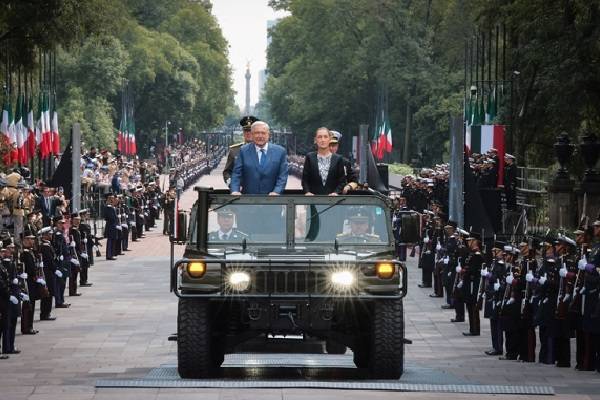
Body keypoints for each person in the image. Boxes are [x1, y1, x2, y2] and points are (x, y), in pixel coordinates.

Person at [230, 121, 288, 195]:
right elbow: (236, 173)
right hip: (248, 200)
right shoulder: (243, 151)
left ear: (268, 135)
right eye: (257, 133)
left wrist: (276, 191)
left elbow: (282, 176)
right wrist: (235, 190)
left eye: (263, 133)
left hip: (273, 200)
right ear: (252, 134)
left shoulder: (280, 152)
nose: (260, 136)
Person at [301, 127, 346, 195]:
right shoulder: (310, 157)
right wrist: (307, 192)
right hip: (313, 199)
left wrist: (336, 192)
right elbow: (305, 179)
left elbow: (342, 181)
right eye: (319, 137)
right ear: (315, 140)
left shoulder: (338, 159)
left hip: (333, 201)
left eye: (325, 137)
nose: (323, 140)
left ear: (329, 139)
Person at [223, 116, 257, 186]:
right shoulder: (234, 150)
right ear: (243, 132)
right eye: (246, 131)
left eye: (250, 131)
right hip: (240, 192)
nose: (248, 133)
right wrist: (233, 185)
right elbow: (227, 172)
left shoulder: (264, 149)